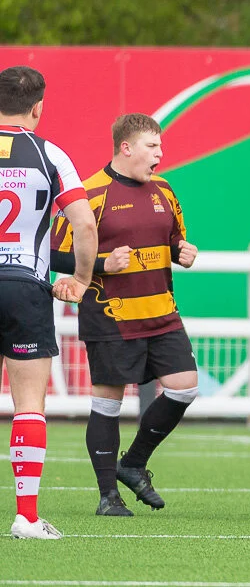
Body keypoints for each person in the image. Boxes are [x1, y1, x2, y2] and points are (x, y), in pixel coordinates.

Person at [49, 114, 200, 518]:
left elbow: (173, 241)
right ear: (126, 148)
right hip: (110, 316)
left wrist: (183, 252)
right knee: (108, 402)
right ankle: (107, 497)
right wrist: (101, 263)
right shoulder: (90, 194)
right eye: (153, 147)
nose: (160, 155)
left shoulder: (165, 191)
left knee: (185, 387)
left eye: (161, 146)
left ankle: (132, 464)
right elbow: (54, 254)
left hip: (162, 312)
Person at [0, 65, 97, 540]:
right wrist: (79, 279)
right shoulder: (48, 153)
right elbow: (84, 224)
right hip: (24, 285)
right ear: (38, 106)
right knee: (29, 405)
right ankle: (27, 517)